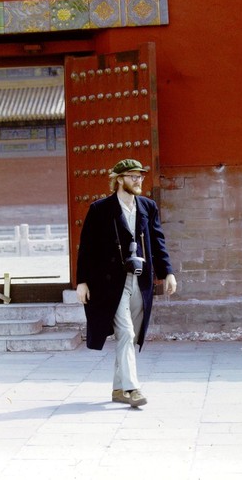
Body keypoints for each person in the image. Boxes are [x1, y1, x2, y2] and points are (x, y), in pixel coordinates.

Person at [76, 159, 177, 407]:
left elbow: (158, 241)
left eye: (140, 176)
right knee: (126, 331)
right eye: (133, 176)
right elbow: (86, 248)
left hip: (140, 281)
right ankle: (132, 389)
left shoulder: (148, 207)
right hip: (110, 283)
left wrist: (168, 272)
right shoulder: (100, 209)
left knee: (129, 338)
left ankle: (118, 389)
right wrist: (82, 282)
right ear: (119, 179)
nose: (138, 180)